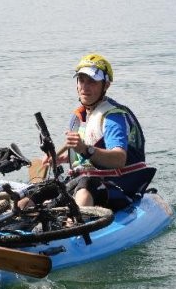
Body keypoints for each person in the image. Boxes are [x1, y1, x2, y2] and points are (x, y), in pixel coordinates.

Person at [41, 53, 155, 210]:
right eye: (81, 80)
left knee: (85, 184)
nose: (85, 87)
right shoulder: (78, 116)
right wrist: (60, 158)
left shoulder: (113, 117)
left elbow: (119, 159)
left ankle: (74, 226)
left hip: (118, 185)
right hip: (85, 181)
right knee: (40, 190)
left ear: (106, 85)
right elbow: (85, 160)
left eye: (92, 81)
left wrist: (85, 149)